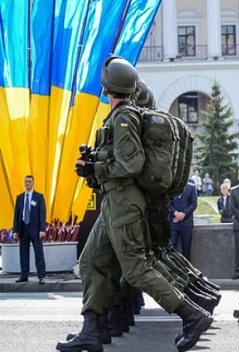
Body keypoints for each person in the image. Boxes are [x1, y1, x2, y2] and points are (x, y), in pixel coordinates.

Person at [57, 56, 212, 352]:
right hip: (115, 199)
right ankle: (92, 329)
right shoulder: (120, 116)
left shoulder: (124, 117)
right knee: (91, 262)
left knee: (137, 268)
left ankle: (192, 315)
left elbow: (131, 163)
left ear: (108, 86)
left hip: (124, 202)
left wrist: (96, 169)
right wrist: (95, 166)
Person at [12, 175, 47, 284]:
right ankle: (24, 275)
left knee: (38, 253)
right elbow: (17, 215)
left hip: (35, 230)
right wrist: (15, 231)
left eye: (29, 181)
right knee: (23, 253)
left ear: (33, 183)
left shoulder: (39, 197)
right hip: (23, 228)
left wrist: (42, 229)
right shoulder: (20, 197)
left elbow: (42, 214)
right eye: (26, 181)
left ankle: (41, 276)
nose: (27, 183)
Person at [169, 180, 198, 259]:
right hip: (173, 223)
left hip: (187, 223)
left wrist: (183, 215)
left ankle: (187, 270)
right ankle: (172, 270)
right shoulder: (171, 186)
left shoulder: (191, 187)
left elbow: (193, 204)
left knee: (186, 250)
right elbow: (167, 202)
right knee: (171, 249)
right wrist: (175, 213)